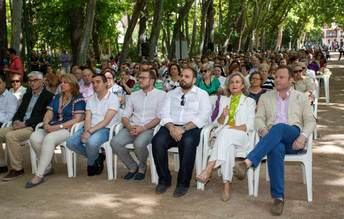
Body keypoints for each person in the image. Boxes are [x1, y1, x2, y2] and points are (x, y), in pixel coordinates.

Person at [233, 66, 316, 216]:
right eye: (276, 77)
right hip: (272, 139)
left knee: (279, 128)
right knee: (275, 148)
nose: (277, 79)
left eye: (281, 77)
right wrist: (263, 131)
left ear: (291, 80)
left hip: (294, 137)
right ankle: (278, 198)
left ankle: (248, 162)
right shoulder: (266, 97)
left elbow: (310, 121)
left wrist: (303, 136)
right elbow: (258, 119)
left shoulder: (300, 97)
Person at [152, 67, 211, 197]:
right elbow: (164, 113)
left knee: (188, 142)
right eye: (182, 76)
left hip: (191, 128)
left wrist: (183, 129)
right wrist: (172, 128)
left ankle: (183, 183)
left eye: (187, 76)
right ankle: (164, 179)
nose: (183, 79)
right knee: (157, 141)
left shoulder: (202, 94)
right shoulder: (171, 93)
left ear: (194, 80)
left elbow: (203, 116)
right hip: (171, 126)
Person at [196, 72, 255, 201]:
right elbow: (217, 123)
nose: (234, 84)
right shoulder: (223, 100)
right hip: (225, 137)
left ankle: (209, 167)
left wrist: (231, 128)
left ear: (243, 85)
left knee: (226, 132)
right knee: (228, 147)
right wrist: (223, 115)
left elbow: (249, 125)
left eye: (237, 82)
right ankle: (226, 186)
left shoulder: (250, 101)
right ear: (228, 85)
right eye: (232, 82)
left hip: (242, 137)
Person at [25, 74, 85, 188]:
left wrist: (57, 128)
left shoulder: (79, 99)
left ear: (72, 85)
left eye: (65, 82)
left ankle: (39, 175)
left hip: (67, 129)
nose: (62, 84)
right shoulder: (57, 97)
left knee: (49, 138)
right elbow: (49, 113)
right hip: (52, 126)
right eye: (61, 82)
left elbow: (77, 120)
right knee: (34, 137)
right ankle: (47, 166)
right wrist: (46, 123)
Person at [111, 69, 165, 180]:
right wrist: (130, 126)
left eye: (143, 78)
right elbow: (125, 116)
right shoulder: (133, 95)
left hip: (150, 128)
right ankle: (132, 166)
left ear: (152, 80)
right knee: (115, 143)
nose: (140, 80)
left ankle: (142, 166)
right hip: (132, 127)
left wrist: (143, 128)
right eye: (139, 77)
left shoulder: (161, 95)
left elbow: (159, 117)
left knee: (139, 144)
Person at [0, 71, 54, 181]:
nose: (32, 83)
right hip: (20, 125)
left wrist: (25, 123)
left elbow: (43, 116)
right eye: (30, 81)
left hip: (33, 127)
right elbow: (19, 112)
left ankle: (17, 169)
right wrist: (15, 121)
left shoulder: (48, 96)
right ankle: (2, 164)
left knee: (11, 136)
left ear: (42, 81)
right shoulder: (27, 95)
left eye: (35, 80)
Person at [66, 74, 120, 176]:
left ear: (105, 83)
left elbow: (106, 121)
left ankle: (90, 163)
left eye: (98, 82)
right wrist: (87, 131)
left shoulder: (113, 99)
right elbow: (88, 118)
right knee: (70, 142)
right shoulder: (91, 99)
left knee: (91, 143)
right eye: (93, 82)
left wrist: (89, 132)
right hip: (89, 127)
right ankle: (96, 157)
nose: (95, 84)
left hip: (105, 129)